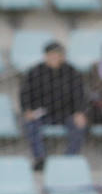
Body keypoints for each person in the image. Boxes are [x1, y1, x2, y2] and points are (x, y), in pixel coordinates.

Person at [19, 40, 87, 172]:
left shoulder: (72, 72)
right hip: (42, 112)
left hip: (67, 113)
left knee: (80, 125)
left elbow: (80, 93)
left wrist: (80, 112)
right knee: (29, 123)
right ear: (46, 56)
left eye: (58, 54)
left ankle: (69, 160)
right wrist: (27, 110)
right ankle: (41, 159)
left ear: (62, 56)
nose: (55, 57)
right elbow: (24, 93)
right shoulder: (35, 72)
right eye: (51, 54)